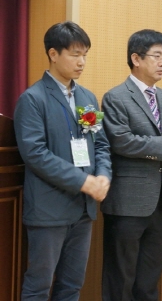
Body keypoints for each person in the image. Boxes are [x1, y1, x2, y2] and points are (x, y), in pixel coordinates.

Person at [14, 21, 112, 301]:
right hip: (49, 209)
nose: (82, 62)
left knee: (71, 286)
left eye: (85, 55)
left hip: (83, 209)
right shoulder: (33, 99)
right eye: (75, 54)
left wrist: (103, 176)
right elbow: (35, 154)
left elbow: (101, 144)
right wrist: (84, 181)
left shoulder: (87, 97)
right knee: (39, 286)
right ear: (53, 54)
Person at [100, 29, 162, 301]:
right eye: (157, 56)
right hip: (128, 201)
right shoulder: (116, 97)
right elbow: (121, 142)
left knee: (150, 279)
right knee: (121, 277)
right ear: (136, 58)